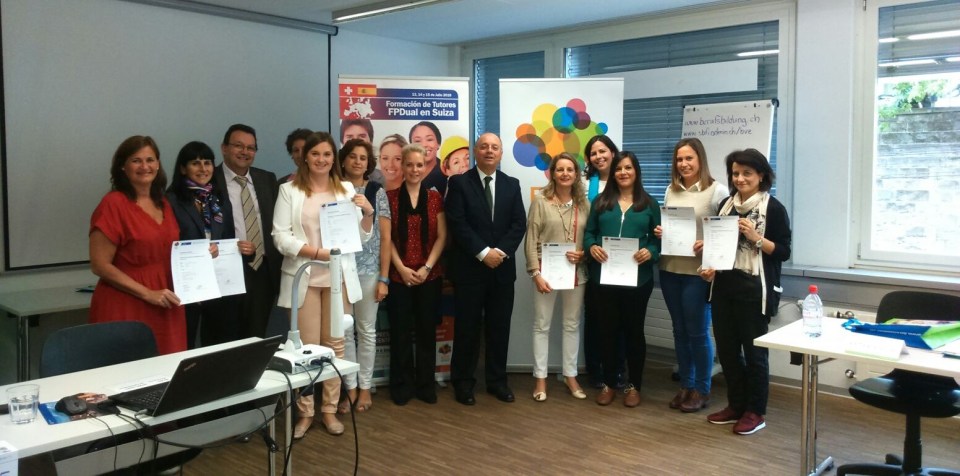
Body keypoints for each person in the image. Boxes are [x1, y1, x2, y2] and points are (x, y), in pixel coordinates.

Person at [272, 132, 374, 438]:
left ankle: (329, 410)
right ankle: (305, 413)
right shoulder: (289, 190)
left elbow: (361, 237)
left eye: (327, 154)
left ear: (334, 158)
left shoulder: (346, 189)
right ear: (305, 157)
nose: (321, 159)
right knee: (305, 349)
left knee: (335, 347)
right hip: (303, 277)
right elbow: (280, 237)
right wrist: (316, 253)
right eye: (315, 154)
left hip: (338, 279)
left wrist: (368, 213)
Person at [700, 148, 791, 436]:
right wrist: (709, 264)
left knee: (754, 355)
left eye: (747, 173)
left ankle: (755, 411)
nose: (740, 179)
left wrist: (756, 237)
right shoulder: (725, 205)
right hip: (724, 287)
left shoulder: (773, 208)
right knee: (727, 352)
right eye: (736, 173)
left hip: (754, 289)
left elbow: (784, 251)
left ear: (761, 175)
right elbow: (720, 247)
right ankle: (736, 405)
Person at [445, 132, 526, 405]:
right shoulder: (459, 183)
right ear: (475, 152)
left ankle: (497, 382)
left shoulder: (512, 185)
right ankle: (463, 383)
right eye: (484, 147)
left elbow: (519, 224)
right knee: (467, 329)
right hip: (469, 270)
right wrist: (483, 253)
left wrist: (498, 253)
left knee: (499, 329)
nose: (489, 151)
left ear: (501, 153)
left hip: (502, 270)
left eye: (495, 147)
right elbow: (457, 223)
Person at [89, 135, 186, 355]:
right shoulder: (113, 204)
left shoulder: (163, 203)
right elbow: (99, 265)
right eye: (136, 160)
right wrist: (147, 293)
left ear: (158, 164)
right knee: (127, 369)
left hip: (166, 302)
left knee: (166, 367)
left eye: (150, 160)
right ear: (122, 166)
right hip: (127, 303)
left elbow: (169, 251)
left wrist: (203, 256)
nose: (145, 166)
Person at [654, 138, 729, 413]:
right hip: (670, 269)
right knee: (679, 331)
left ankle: (702, 389)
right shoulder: (670, 190)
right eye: (679, 159)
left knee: (697, 332)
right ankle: (686, 385)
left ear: (700, 160)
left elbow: (725, 234)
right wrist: (661, 232)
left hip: (698, 273)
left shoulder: (716, 191)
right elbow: (669, 223)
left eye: (689, 158)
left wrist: (708, 243)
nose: (683, 164)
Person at [584, 152, 661, 407]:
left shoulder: (649, 204)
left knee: (634, 333)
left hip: (638, 280)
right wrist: (592, 247)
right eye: (618, 168)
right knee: (607, 332)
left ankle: (633, 386)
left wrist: (650, 251)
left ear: (636, 171)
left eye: (628, 168)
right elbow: (589, 233)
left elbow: (658, 240)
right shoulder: (601, 202)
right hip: (604, 278)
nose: (623, 172)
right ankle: (608, 383)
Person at [524, 153, 589, 402]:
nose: (565, 174)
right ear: (552, 173)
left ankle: (570, 376)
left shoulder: (584, 203)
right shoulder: (541, 201)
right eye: (560, 169)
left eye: (570, 169)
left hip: (576, 273)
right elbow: (531, 239)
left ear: (576, 174)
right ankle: (540, 378)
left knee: (572, 325)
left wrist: (583, 254)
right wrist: (535, 273)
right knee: (542, 325)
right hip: (546, 273)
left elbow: (590, 237)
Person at [386, 143, 447, 405]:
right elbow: (386, 238)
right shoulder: (389, 198)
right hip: (398, 276)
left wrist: (427, 267)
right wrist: (401, 268)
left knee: (426, 332)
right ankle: (401, 385)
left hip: (428, 276)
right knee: (399, 333)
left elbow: (442, 236)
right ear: (402, 166)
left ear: (425, 167)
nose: (414, 169)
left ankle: (425, 385)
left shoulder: (435, 198)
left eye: (419, 165)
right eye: (409, 164)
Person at [166, 141, 239, 348]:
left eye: (207, 163)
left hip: (217, 283)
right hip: (185, 285)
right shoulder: (170, 201)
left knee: (218, 342)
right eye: (195, 163)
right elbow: (167, 243)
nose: (203, 169)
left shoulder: (218, 200)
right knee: (185, 343)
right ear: (183, 168)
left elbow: (226, 237)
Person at [336, 138, 391, 413]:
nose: (358, 162)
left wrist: (384, 278)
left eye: (363, 157)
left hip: (369, 270)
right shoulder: (333, 189)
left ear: (369, 163)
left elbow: (386, 238)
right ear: (343, 160)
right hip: (339, 270)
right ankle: (350, 389)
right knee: (345, 332)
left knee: (367, 331)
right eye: (353, 156)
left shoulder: (376, 191)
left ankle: (366, 387)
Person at [213, 124, 281, 339]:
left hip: (262, 270)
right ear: (224, 148)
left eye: (251, 148)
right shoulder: (210, 180)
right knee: (223, 337)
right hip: (225, 270)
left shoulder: (267, 179)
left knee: (256, 335)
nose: (245, 152)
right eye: (238, 146)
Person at [582, 135, 625, 389]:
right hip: (592, 257)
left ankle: (617, 369)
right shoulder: (586, 183)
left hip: (621, 260)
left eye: (603, 151)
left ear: (612, 152)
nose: (598, 157)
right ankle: (595, 370)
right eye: (593, 153)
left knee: (619, 317)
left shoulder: (625, 180)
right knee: (594, 316)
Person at [340, 119, 384, 184]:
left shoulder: (382, 179)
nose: (355, 141)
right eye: (349, 137)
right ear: (342, 141)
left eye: (362, 136)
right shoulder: (331, 179)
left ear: (370, 140)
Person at [408, 121, 447, 195]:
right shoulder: (403, 172)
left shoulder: (447, 173)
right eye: (418, 141)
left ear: (438, 143)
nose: (424, 145)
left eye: (429, 139)